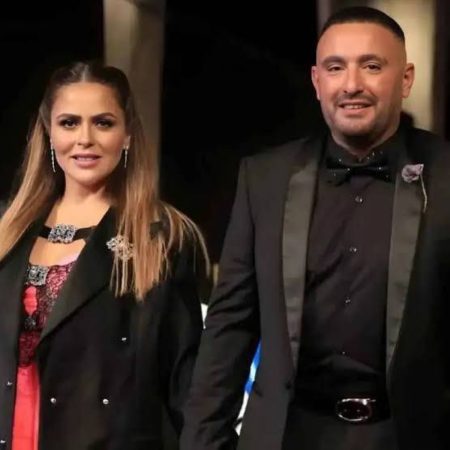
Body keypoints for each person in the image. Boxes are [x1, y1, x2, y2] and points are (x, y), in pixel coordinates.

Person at [181, 6, 450, 450]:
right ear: (316, 80)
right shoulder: (265, 179)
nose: (351, 84)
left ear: (405, 79)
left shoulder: (444, 177)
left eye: (371, 66)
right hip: (285, 434)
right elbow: (229, 328)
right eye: (335, 67)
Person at [0, 61, 208, 450]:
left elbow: (186, 379)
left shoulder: (160, 236)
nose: (85, 139)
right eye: (69, 123)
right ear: (48, 133)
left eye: (103, 123)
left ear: (127, 135)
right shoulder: (8, 232)